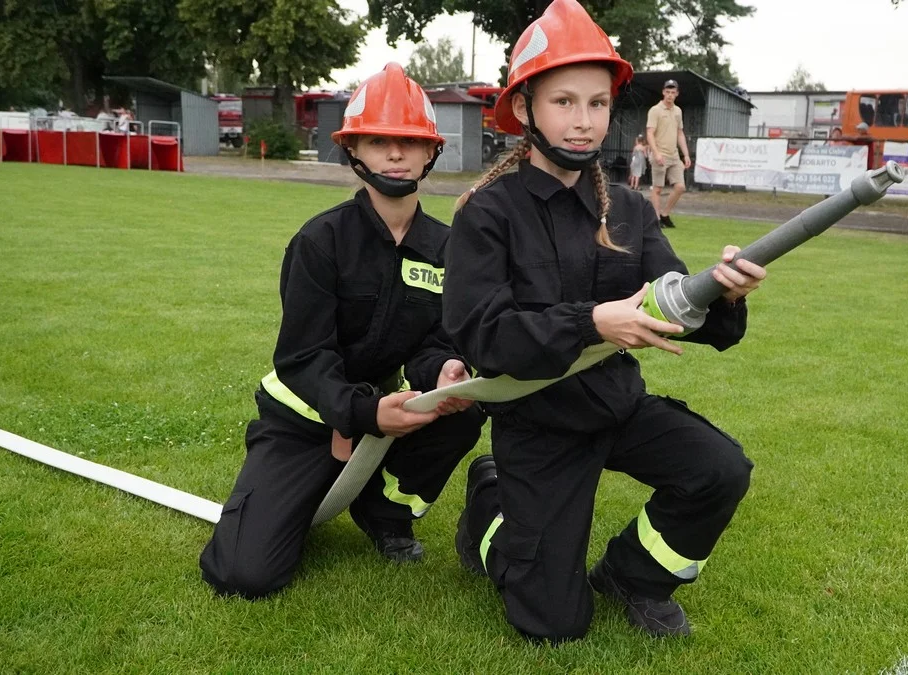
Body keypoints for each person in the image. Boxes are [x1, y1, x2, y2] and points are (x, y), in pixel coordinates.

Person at [444, 0, 764, 642]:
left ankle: (635, 577)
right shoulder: (487, 213)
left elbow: (679, 307)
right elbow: (484, 336)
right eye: (564, 101)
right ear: (525, 108)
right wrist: (593, 322)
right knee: (553, 625)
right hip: (536, 422)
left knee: (720, 470)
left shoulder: (629, 209)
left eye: (596, 103)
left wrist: (722, 294)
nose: (584, 121)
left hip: (617, 408)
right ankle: (488, 505)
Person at [199, 63, 485, 600]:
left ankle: (383, 514)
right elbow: (303, 357)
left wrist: (443, 371)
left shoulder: (448, 250)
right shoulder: (321, 241)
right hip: (302, 422)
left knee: (463, 417)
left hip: (386, 413)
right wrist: (360, 413)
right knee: (244, 575)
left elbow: (437, 342)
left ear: (431, 153)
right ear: (354, 151)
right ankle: (288, 497)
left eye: (409, 142)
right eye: (380, 141)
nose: (396, 154)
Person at [646, 79, 690, 228]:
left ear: (677, 94)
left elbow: (680, 133)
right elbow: (650, 133)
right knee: (657, 188)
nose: (670, 95)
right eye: (668, 92)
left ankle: (665, 214)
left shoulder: (678, 111)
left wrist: (686, 155)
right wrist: (656, 153)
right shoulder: (655, 110)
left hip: (674, 155)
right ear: (663, 92)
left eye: (673, 92)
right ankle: (656, 219)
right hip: (660, 154)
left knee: (680, 187)